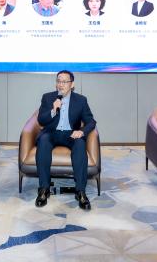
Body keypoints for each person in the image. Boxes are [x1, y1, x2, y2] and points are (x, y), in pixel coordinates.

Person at [35, 70, 97, 210]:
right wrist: (53, 110)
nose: (60, 84)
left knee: (80, 144)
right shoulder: (48, 97)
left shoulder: (81, 100)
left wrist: (81, 131)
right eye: (59, 81)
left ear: (72, 84)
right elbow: (41, 120)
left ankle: (80, 191)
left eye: (64, 81)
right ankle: (44, 189)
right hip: (51, 132)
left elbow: (91, 121)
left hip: (71, 134)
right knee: (43, 141)